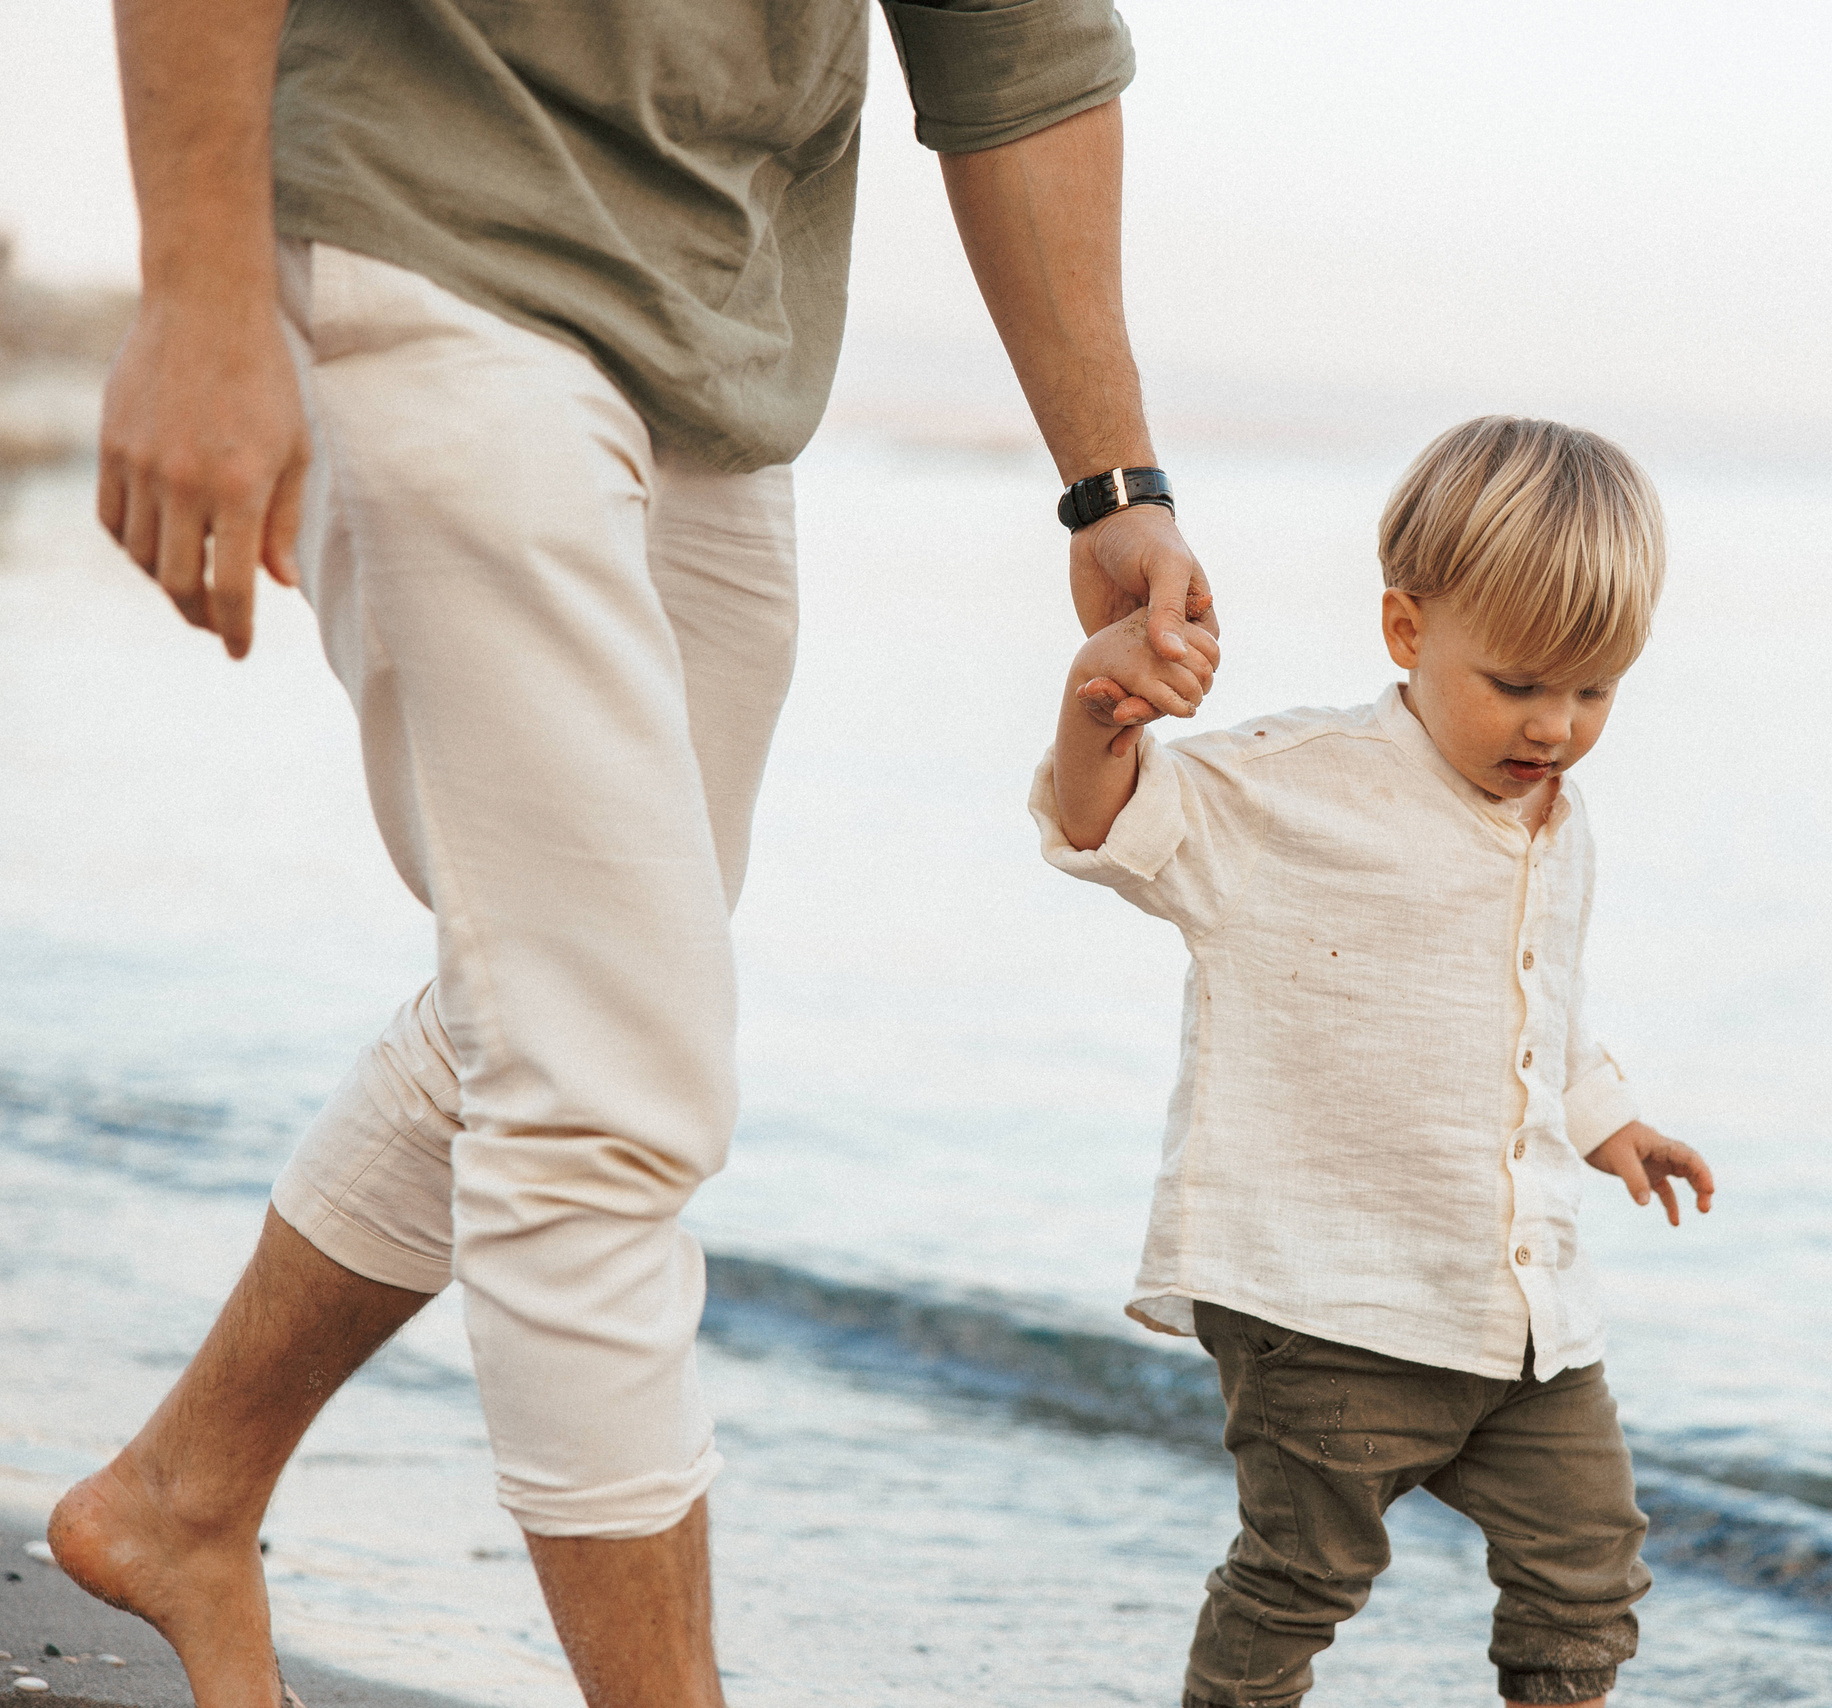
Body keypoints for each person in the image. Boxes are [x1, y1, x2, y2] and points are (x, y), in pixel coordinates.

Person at [49, 2, 1215, 1705]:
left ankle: (178, 1497)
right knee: (601, 1079)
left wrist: (1112, 486)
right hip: (426, 242)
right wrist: (200, 290)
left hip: (712, 355)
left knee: (552, 1013)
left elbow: (1013, 53)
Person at [1032, 415, 1715, 1708]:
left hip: (1517, 1315)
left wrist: (1611, 1121)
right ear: (1407, 630)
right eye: (1520, 684)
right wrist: (1098, 714)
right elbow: (1107, 824)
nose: (1557, 727)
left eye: (1595, 692)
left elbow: (1539, 1007)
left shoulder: (1558, 817)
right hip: (1324, 1302)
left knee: (1588, 1571)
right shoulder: (1299, 788)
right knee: (1303, 1574)